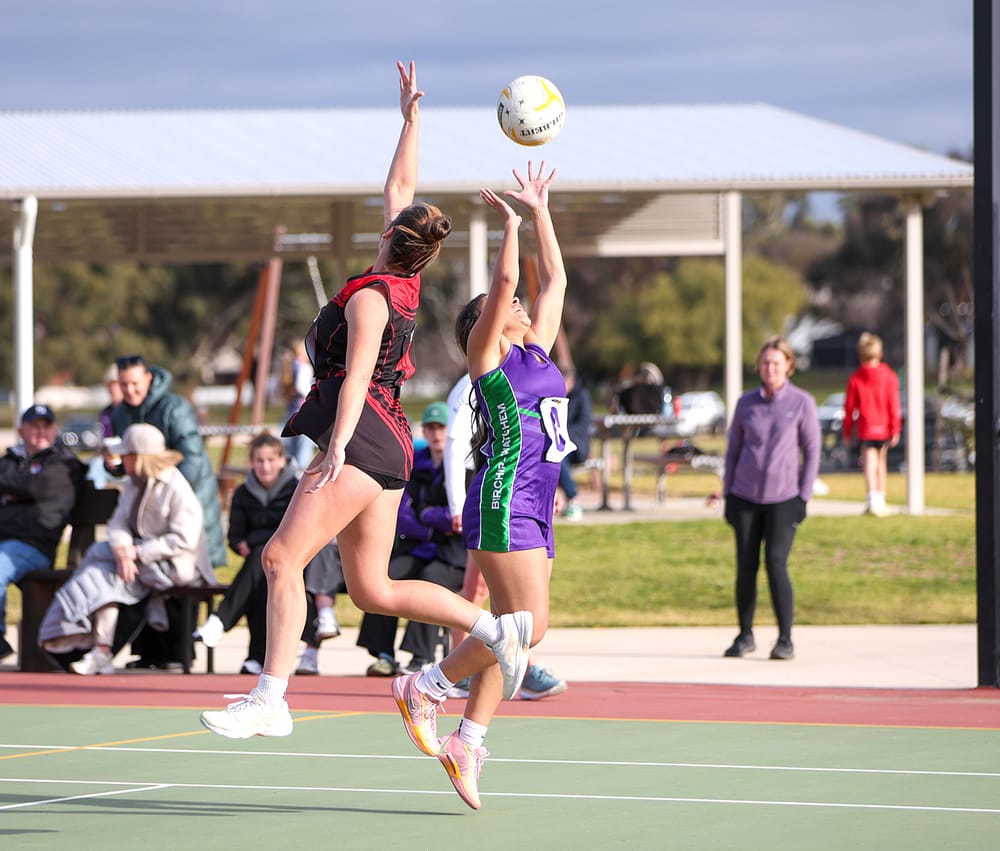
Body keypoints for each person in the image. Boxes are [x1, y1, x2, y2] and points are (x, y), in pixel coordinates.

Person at [200, 61, 533, 741]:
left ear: (390, 238)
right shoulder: (398, 279)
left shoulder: (375, 302)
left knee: (278, 559)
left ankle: (271, 694)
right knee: (372, 588)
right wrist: (411, 120)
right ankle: (492, 628)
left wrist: (336, 451)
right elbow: (400, 185)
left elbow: (354, 381)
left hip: (365, 439)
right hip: (390, 447)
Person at [401, 158, 568, 810]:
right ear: (489, 324)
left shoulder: (537, 351)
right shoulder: (490, 362)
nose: (524, 302)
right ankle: (429, 686)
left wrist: (540, 209)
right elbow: (508, 281)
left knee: (512, 628)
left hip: (536, 506)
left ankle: (468, 739)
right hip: (503, 500)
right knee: (529, 627)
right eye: (511, 305)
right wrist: (508, 227)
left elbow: (553, 278)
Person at [38, 424, 215, 674]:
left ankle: (99, 649)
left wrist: (138, 553)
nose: (120, 459)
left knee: (109, 576)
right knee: (101, 563)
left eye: (125, 454)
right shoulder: (133, 483)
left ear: (139, 457)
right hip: (140, 559)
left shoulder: (177, 489)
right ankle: (96, 647)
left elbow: (184, 539)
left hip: (176, 565)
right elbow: (118, 522)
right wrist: (122, 550)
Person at [443, 372, 567, 702]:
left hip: (526, 490)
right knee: (480, 591)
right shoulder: (480, 376)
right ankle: (455, 673)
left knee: (500, 603)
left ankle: (499, 670)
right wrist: (456, 501)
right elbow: (454, 445)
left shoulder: (527, 372)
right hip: (494, 489)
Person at [107, 353, 226, 669]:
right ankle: (149, 653)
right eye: (123, 384)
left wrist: (165, 499)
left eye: (134, 383)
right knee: (142, 572)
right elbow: (133, 463)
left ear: (148, 378)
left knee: (180, 573)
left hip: (185, 504)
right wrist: (118, 468)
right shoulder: (121, 413)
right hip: (147, 513)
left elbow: (193, 460)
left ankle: (179, 653)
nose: (130, 390)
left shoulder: (174, 408)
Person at [193, 433, 342, 674]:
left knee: (266, 558)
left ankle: (222, 622)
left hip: (300, 559)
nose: (265, 466)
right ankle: (256, 656)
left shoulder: (296, 488)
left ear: (282, 461)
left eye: (271, 460)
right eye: (259, 461)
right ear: (251, 463)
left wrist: (257, 540)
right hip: (267, 562)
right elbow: (236, 537)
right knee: (265, 568)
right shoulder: (243, 492)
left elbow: (295, 530)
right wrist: (253, 541)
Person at [721, 336, 820, 662]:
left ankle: (785, 638)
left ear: (789, 366)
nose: (770, 369)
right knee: (745, 566)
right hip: (745, 496)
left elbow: (812, 450)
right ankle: (745, 634)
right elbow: (733, 451)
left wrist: (803, 496)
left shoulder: (802, 402)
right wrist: (728, 494)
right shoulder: (746, 403)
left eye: (777, 363)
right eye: (765, 363)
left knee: (776, 562)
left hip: (784, 498)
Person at [357, 401, 466, 676]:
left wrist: (429, 515)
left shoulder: (464, 465)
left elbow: (462, 515)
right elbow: (402, 513)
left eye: (441, 427)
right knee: (383, 577)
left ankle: (422, 656)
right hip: (421, 547)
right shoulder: (416, 465)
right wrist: (432, 524)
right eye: (430, 428)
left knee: (431, 579)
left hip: (454, 555)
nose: (436, 434)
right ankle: (383, 654)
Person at [0, 404, 86, 661]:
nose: (40, 432)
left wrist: (13, 492)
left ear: (55, 429)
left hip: (33, 546)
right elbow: (31, 488)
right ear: (21, 430)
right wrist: (20, 491)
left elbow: (41, 488)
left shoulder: (65, 463)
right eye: (33, 426)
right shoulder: (9, 460)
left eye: (45, 426)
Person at [842, 332, 901, 517]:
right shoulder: (889, 376)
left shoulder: (856, 378)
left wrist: (847, 431)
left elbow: (849, 407)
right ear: (880, 353)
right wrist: (895, 428)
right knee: (881, 462)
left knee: (869, 463)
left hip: (866, 428)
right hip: (883, 427)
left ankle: (872, 499)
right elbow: (894, 404)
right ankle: (880, 498)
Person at [557, 368, 592, 520]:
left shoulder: (581, 396)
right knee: (551, 455)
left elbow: (583, 424)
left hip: (577, 445)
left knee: (557, 457)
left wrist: (560, 432)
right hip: (559, 443)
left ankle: (573, 498)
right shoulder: (555, 396)